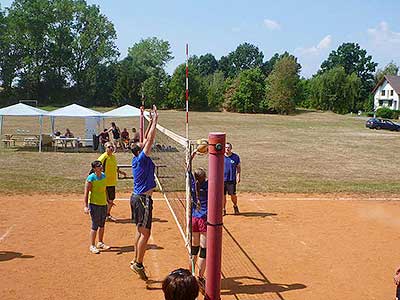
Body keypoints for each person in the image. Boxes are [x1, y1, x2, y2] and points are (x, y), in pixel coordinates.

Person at [129, 105, 158, 280]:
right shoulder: (141, 158)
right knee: (145, 234)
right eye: (142, 144)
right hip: (143, 200)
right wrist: (155, 120)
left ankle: (135, 260)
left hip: (136, 198)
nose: (144, 141)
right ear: (140, 150)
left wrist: (148, 118)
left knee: (140, 231)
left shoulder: (137, 158)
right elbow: (150, 139)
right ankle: (138, 264)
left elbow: (147, 138)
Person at [83, 160, 110, 254]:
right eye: (98, 166)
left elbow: (105, 189)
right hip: (94, 204)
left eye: (101, 165)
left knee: (102, 224)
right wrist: (86, 206)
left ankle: (100, 242)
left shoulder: (103, 176)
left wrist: (108, 200)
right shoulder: (91, 178)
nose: (101, 167)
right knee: (95, 225)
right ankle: (92, 245)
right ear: (94, 168)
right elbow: (86, 193)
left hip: (103, 204)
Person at [97, 142, 126, 222]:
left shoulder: (113, 157)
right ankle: (103, 215)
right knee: (105, 200)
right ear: (105, 148)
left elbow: (115, 168)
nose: (111, 148)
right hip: (104, 182)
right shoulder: (103, 157)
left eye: (112, 147)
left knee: (111, 199)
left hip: (112, 182)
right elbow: (96, 168)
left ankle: (107, 214)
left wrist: (121, 172)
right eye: (109, 147)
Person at [189, 167, 208, 286]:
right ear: (204, 177)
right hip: (204, 219)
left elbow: (188, 171)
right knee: (204, 250)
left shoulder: (192, 185)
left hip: (194, 218)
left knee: (194, 249)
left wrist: (192, 155)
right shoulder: (208, 185)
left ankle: (190, 276)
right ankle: (200, 278)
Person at [223, 142, 241, 215]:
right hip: (222, 180)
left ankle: (235, 206)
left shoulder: (235, 157)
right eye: (226, 147)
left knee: (233, 195)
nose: (227, 149)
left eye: (228, 147)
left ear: (231, 148)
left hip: (231, 180)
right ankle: (223, 209)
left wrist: (238, 176)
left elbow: (238, 167)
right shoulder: (221, 156)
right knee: (223, 196)